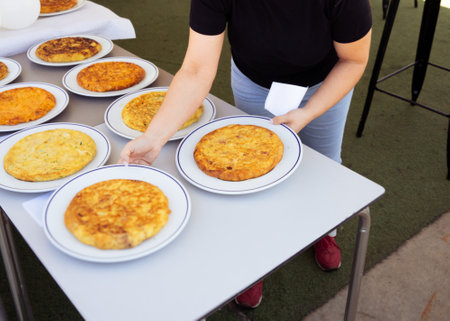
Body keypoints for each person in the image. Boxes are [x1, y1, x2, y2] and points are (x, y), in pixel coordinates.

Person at [119, 0, 372, 309]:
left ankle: (324, 231)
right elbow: (197, 67)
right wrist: (155, 136)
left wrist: (309, 111)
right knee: (248, 174)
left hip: (322, 80)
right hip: (254, 79)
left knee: (325, 163)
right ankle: (257, 263)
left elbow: (354, 60)